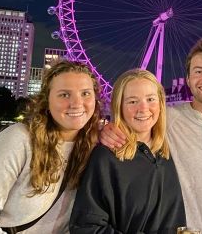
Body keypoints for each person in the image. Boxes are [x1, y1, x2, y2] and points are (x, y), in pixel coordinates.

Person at [100, 38, 202, 234]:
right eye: (198, 71)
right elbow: (131, 130)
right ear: (187, 78)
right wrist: (103, 131)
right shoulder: (164, 118)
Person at [0, 60, 102, 233]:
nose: (77, 103)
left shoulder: (94, 146)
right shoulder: (17, 140)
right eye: (64, 95)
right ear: (46, 101)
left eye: (85, 93)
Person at [70, 69, 186, 233]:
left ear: (161, 103)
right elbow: (86, 227)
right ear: (119, 106)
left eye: (150, 99)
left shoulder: (171, 149)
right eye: (132, 101)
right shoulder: (106, 157)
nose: (143, 108)